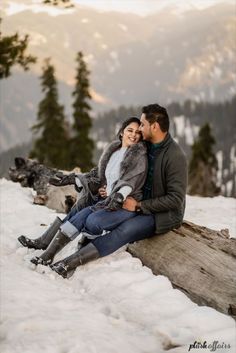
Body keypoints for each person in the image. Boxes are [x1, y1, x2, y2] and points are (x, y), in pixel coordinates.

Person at [50, 103, 188, 278]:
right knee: (87, 207)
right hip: (132, 200)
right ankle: (51, 246)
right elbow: (115, 165)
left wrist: (139, 206)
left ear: (154, 126)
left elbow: (176, 199)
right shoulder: (144, 144)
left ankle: (68, 263)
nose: (139, 128)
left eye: (143, 125)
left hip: (160, 213)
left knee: (125, 230)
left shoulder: (175, 156)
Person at [18, 117, 148, 266]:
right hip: (103, 197)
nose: (133, 134)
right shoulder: (113, 150)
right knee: (78, 207)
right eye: (130, 130)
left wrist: (113, 192)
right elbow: (98, 174)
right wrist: (71, 179)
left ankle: (50, 251)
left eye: (138, 132)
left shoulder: (137, 156)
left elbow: (129, 181)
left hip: (116, 202)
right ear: (121, 132)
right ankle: (45, 243)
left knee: (82, 215)